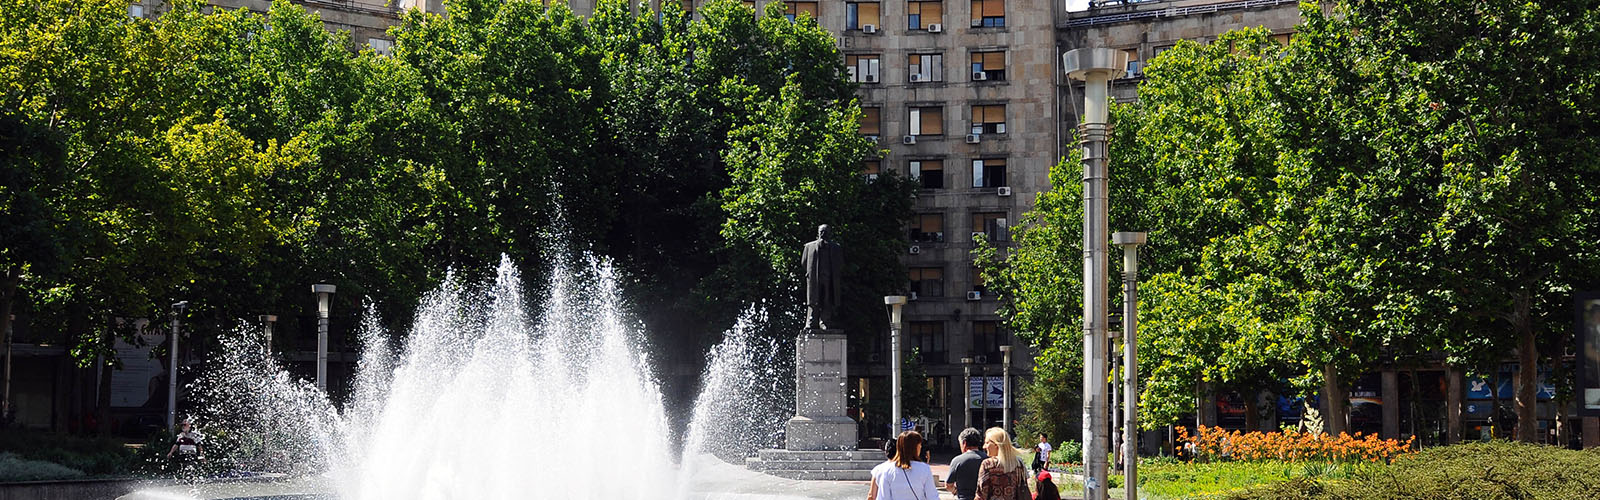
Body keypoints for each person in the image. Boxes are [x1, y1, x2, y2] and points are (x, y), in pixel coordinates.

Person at [868, 431, 940, 500]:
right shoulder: (924, 469)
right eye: (919, 444)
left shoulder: (886, 469)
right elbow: (932, 496)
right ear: (915, 447)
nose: (921, 447)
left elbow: (883, 497)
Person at [802, 224, 843, 329]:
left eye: (826, 232)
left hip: (829, 279)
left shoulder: (836, 247)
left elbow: (840, 263)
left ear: (830, 234)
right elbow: (804, 262)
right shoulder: (809, 246)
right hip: (814, 279)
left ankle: (825, 322)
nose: (823, 234)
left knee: (827, 300)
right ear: (818, 233)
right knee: (813, 301)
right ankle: (811, 322)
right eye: (821, 231)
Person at [975, 427, 1028, 500]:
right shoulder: (1018, 463)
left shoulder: (987, 464)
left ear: (996, 445)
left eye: (987, 443)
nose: (984, 446)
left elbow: (981, 494)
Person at [943, 427, 988, 500]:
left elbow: (948, 485)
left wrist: (955, 491)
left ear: (964, 443)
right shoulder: (987, 459)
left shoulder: (957, 460)